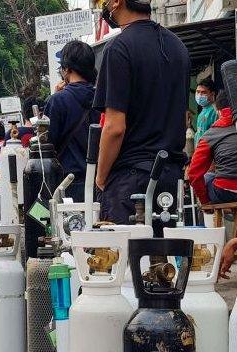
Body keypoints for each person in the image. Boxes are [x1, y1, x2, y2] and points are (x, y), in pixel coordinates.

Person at [93, 0, 190, 227]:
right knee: (163, 257)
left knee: (126, 259)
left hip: (131, 179)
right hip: (171, 176)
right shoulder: (178, 47)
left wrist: (101, 177)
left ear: (116, 3)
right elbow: (183, 115)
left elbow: (114, 127)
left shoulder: (119, 48)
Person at [44, 40, 99, 202]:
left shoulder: (57, 101)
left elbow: (47, 147)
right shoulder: (104, 98)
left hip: (68, 185)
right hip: (102, 184)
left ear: (66, 69)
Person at [193, 78, 218, 143]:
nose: (199, 95)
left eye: (203, 92)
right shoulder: (203, 111)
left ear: (212, 94)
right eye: (198, 92)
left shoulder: (214, 111)